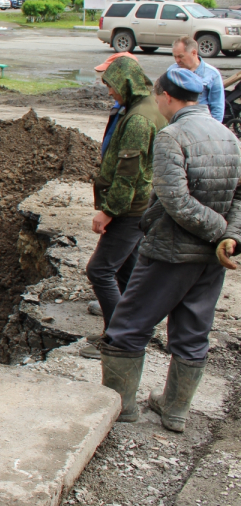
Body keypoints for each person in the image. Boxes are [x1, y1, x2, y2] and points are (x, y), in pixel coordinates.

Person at [99, 67, 241, 432]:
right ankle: (175, 411)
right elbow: (239, 197)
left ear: (169, 97)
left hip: (171, 252)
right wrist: (230, 239)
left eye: (159, 97)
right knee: (193, 332)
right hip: (213, 258)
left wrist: (219, 232)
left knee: (127, 328)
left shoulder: (172, 136)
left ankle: (121, 407)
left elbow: (175, 200)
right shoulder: (229, 136)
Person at [80, 54, 166, 359]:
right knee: (127, 272)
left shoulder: (139, 120)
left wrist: (108, 211)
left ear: (125, 83)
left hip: (130, 209)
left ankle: (117, 340)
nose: (109, 92)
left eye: (111, 86)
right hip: (139, 206)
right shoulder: (141, 108)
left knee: (100, 270)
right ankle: (135, 330)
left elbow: (129, 174)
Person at [171, 35, 224, 122]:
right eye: (175, 56)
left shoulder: (212, 74)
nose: (177, 60)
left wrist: (213, 130)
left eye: (180, 56)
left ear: (194, 53)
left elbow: (217, 108)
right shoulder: (172, 71)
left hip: (201, 123)